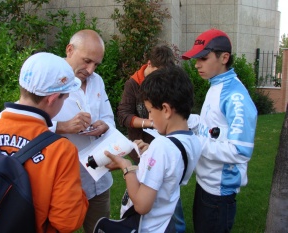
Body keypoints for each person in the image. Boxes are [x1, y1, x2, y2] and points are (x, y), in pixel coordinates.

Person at [0, 52, 89, 233]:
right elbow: (67, 221)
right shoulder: (61, 150)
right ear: (52, 98)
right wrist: (79, 194)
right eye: (65, 97)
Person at [104, 66, 202, 232]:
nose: (149, 118)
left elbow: (142, 205)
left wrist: (126, 166)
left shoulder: (162, 147)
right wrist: (149, 154)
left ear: (165, 109)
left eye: (150, 111)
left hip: (146, 227)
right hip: (165, 222)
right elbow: (171, 169)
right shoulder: (193, 140)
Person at [182, 28, 258, 233]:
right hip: (205, 183)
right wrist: (184, 120)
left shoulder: (235, 96)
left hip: (219, 193)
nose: (197, 64)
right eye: (196, 59)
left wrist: (194, 142)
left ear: (224, 57)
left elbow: (240, 151)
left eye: (203, 58)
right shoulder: (214, 85)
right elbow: (211, 129)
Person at [50, 29, 115, 233]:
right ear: (69, 50)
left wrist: (104, 126)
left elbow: (108, 117)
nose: (90, 69)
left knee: (99, 228)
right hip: (64, 182)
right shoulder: (49, 78)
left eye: (96, 64)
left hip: (99, 178)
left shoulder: (97, 80)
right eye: (87, 61)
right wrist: (63, 127)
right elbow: (29, 123)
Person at [117, 45, 176, 165]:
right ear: (149, 64)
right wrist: (149, 123)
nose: (160, 78)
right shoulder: (133, 84)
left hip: (164, 145)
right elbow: (123, 116)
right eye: (158, 73)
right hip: (140, 147)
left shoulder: (167, 81)